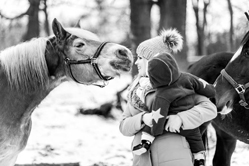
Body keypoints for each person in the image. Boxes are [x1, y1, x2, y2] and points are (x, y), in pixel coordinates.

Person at [119, 29, 217, 166]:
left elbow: (210, 109)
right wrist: (142, 118)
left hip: (175, 159)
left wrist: (181, 118)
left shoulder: (180, 85)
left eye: (140, 58)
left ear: (153, 60)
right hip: (142, 161)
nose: (136, 62)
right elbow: (123, 126)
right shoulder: (135, 90)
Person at [132, 53, 215, 166]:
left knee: (151, 123)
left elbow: (159, 114)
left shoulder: (162, 94)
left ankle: (145, 143)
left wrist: (155, 130)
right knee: (196, 137)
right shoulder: (187, 78)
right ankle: (199, 158)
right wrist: (212, 90)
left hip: (169, 126)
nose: (137, 62)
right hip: (189, 126)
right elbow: (204, 87)